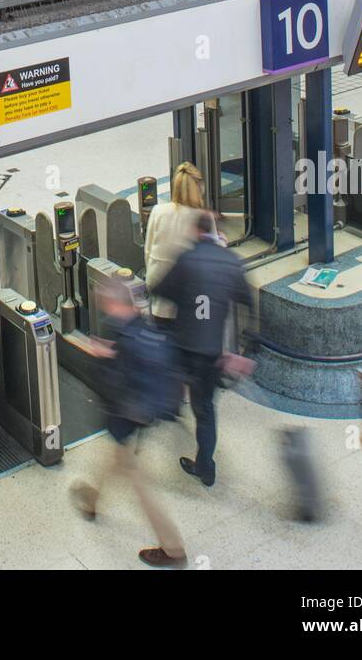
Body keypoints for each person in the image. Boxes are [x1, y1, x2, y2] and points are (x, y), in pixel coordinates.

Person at [69, 281, 186, 568]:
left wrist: (102, 359)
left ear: (111, 304)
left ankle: (173, 548)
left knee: (137, 481)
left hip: (126, 418)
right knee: (114, 461)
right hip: (143, 416)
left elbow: (115, 384)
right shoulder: (145, 325)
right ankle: (91, 501)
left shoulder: (120, 335)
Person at [154, 208, 253, 486]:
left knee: (169, 371)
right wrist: (242, 351)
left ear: (197, 232)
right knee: (206, 410)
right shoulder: (231, 261)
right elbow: (248, 301)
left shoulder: (187, 259)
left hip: (184, 344)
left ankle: (164, 409)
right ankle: (206, 467)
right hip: (211, 352)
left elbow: (160, 289)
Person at [144, 162, 206, 321]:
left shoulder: (158, 211)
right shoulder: (201, 217)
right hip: (189, 306)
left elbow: (148, 252)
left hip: (159, 297)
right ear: (198, 187)